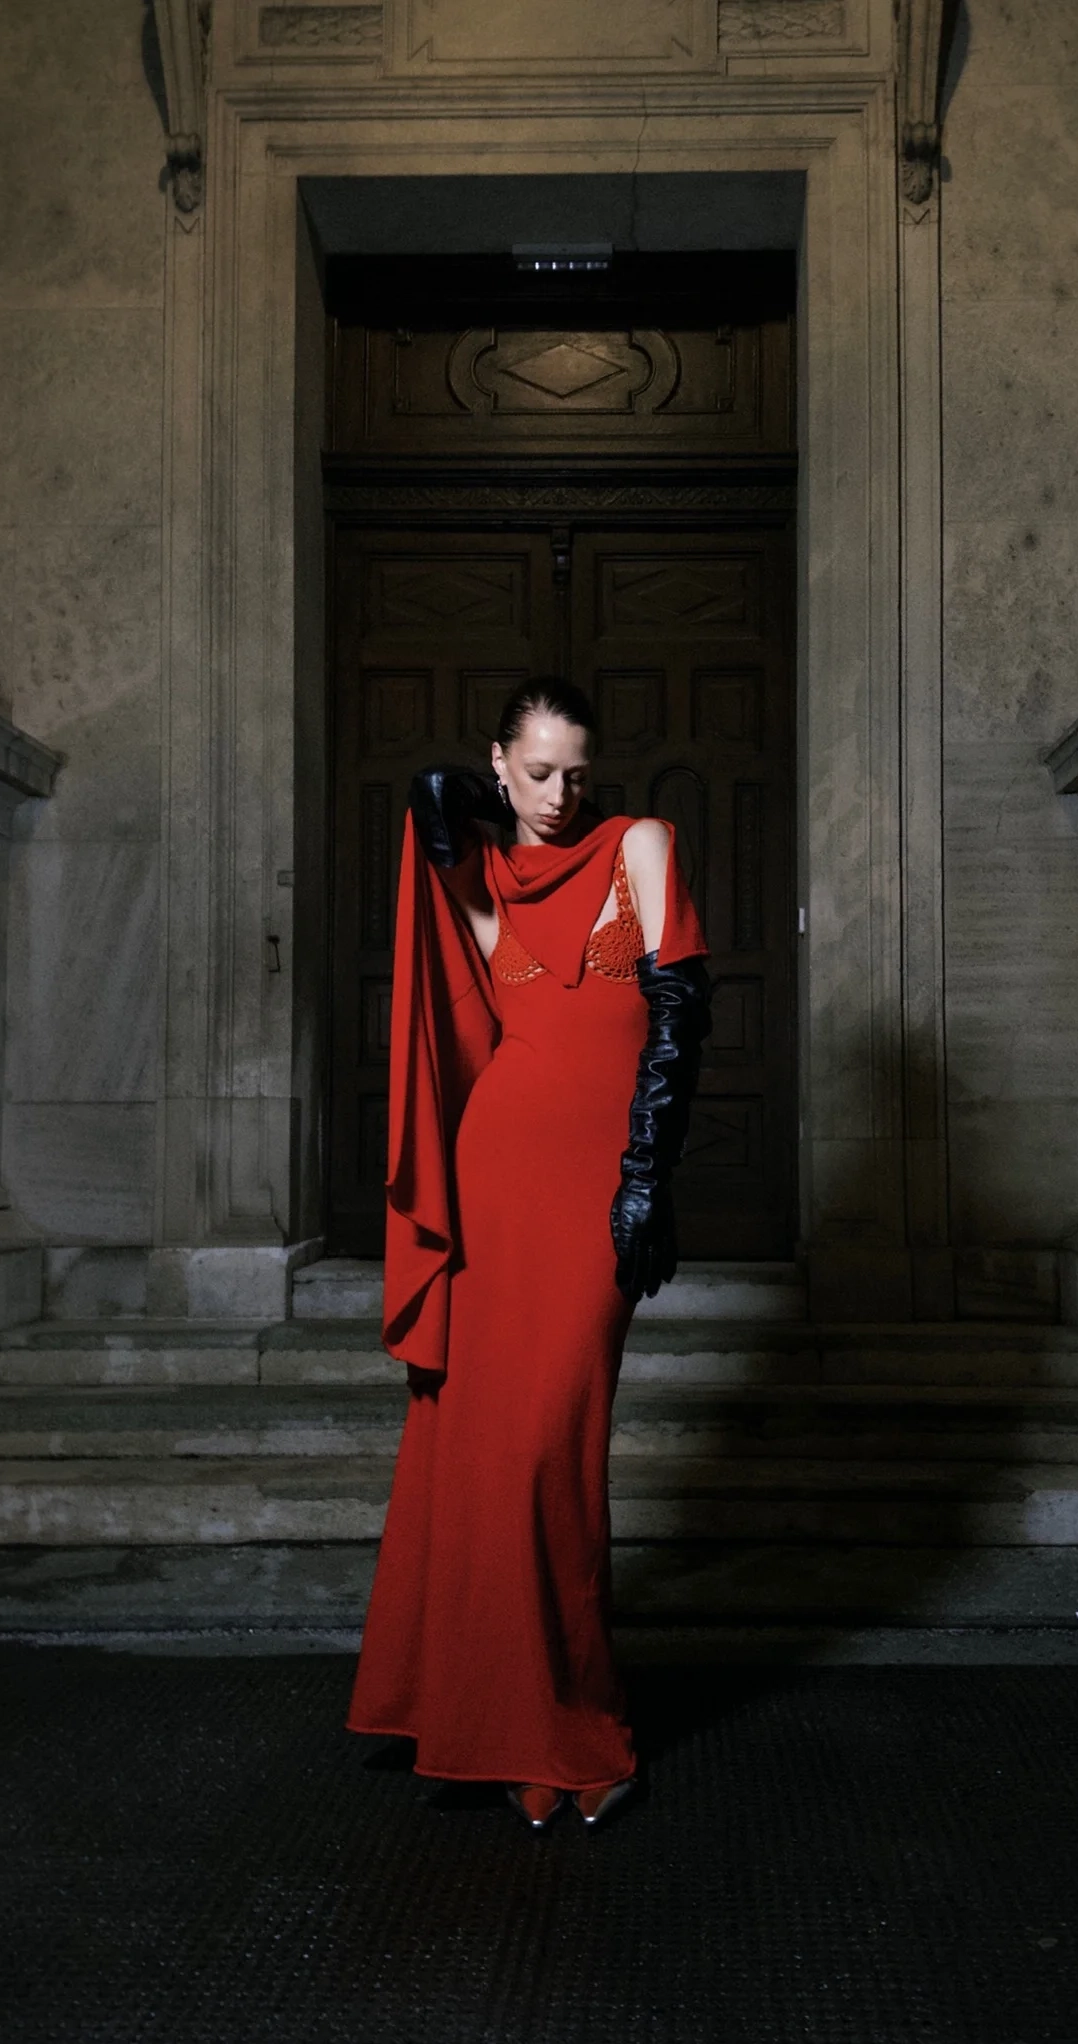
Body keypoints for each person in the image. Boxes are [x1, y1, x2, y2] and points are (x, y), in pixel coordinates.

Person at [345, 678, 712, 1831]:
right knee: (486, 1451)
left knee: (555, 1446)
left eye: (576, 772)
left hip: (595, 1189)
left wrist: (645, 1176)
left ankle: (572, 1718)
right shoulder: (486, 876)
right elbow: (457, 994)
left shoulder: (640, 844)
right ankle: (492, 1720)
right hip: (495, 1181)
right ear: (499, 762)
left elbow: (681, 1021)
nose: (559, 793)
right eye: (538, 770)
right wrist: (441, 812)